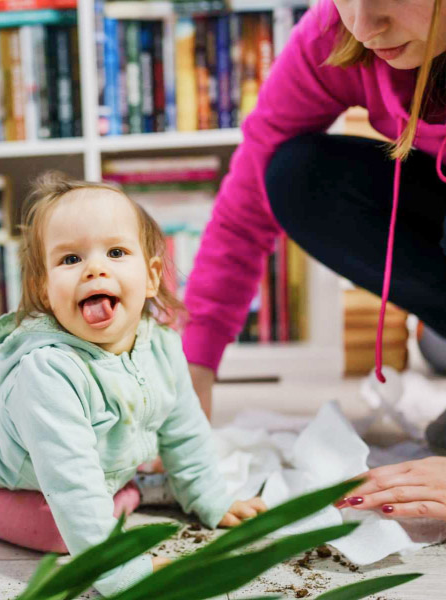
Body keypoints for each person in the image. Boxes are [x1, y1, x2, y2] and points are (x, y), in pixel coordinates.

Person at [0, 173, 266, 597]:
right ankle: (128, 491)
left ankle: (126, 489)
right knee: (65, 533)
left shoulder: (163, 346)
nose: (94, 269)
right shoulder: (47, 371)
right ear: (44, 290)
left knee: (104, 499)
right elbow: (71, 485)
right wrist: (118, 570)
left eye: (116, 252)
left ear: (152, 276)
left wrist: (212, 499)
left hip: (87, 460)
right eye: (70, 260)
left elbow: (185, 428)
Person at [183, 0, 446, 421]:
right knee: (294, 176)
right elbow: (247, 198)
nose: (362, 28)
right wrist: (193, 368)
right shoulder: (333, 30)